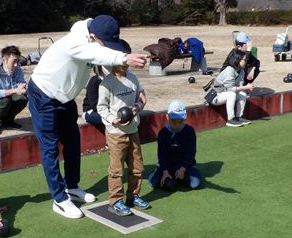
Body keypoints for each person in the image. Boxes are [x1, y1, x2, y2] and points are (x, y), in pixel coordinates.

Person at [28, 15, 148, 219]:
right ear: (92, 37)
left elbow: (105, 66)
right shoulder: (75, 42)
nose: (108, 48)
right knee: (50, 148)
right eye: (105, 44)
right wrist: (125, 58)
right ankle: (59, 199)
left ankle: (71, 187)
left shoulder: (94, 41)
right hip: (43, 95)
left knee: (73, 142)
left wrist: (137, 88)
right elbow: (97, 54)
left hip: (65, 98)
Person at [96, 59, 149, 216]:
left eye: (127, 61)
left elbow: (141, 99)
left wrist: (138, 106)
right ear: (112, 62)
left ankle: (133, 196)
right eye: (122, 61)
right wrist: (114, 119)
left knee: (137, 166)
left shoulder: (133, 78)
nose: (126, 65)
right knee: (116, 169)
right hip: (115, 133)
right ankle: (116, 201)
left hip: (133, 130)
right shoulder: (106, 83)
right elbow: (101, 108)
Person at [148, 100, 201, 191]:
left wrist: (183, 169)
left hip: (185, 165)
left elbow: (191, 153)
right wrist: (165, 171)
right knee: (153, 182)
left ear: (184, 118)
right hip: (167, 166)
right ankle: (167, 176)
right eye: (173, 120)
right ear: (167, 117)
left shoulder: (189, 131)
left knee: (194, 183)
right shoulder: (163, 133)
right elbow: (162, 154)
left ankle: (179, 177)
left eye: (180, 120)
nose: (176, 123)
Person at [211, 49, 254, 127]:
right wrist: (246, 87)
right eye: (244, 59)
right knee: (232, 94)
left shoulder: (241, 71)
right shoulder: (229, 70)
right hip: (215, 96)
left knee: (242, 94)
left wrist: (245, 87)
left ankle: (239, 117)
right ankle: (230, 120)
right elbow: (231, 89)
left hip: (224, 94)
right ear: (237, 59)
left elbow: (239, 87)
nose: (246, 61)